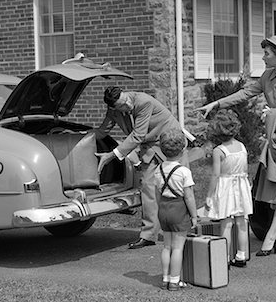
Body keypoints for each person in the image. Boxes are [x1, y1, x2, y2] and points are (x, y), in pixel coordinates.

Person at [195, 35, 276, 255]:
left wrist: (275, 114)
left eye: (267, 53)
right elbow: (245, 93)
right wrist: (215, 104)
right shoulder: (267, 76)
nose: (263, 57)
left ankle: (272, 236)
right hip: (274, 138)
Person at [95, 86, 188, 249]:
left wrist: (111, 155)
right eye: (123, 105)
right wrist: (78, 137)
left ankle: (187, 229)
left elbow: (138, 134)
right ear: (112, 107)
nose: (128, 105)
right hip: (150, 147)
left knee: (179, 186)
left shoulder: (143, 101)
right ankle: (149, 235)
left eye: (127, 100)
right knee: (148, 188)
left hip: (171, 141)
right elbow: (102, 132)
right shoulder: (114, 111)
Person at [204, 109, 253, 267]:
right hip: (241, 184)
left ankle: (224, 257)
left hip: (226, 187)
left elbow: (215, 175)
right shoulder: (242, 146)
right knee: (241, 222)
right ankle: (242, 255)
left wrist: (209, 195)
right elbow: (245, 167)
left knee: (226, 222)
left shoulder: (219, 151)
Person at [155, 128, 197, 291]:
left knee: (167, 246)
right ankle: (175, 280)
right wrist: (194, 216)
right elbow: (189, 197)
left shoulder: (158, 170)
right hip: (178, 209)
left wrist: (161, 209)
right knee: (178, 247)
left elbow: (157, 193)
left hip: (163, 209)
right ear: (183, 149)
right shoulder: (184, 172)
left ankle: (165, 278)